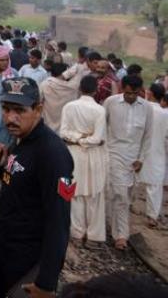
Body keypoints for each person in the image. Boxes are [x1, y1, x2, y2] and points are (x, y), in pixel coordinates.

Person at [0, 77, 73, 298]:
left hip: (27, 258)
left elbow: (59, 221)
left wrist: (46, 282)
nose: (10, 118)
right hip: (7, 248)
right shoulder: (21, 140)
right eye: (5, 109)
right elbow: (17, 185)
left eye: (19, 110)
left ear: (38, 109)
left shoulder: (53, 153)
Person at [103, 75, 152, 250]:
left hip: (134, 159)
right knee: (120, 195)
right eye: (128, 93)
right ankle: (121, 236)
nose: (131, 96)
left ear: (140, 91)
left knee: (124, 197)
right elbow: (102, 126)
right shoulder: (111, 102)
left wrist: (141, 158)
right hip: (114, 153)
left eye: (135, 94)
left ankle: (110, 224)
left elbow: (148, 136)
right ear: (122, 88)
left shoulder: (146, 108)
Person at [59, 75, 107, 247]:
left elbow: (63, 132)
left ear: (79, 88)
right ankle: (94, 236)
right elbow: (98, 139)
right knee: (94, 194)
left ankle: (76, 233)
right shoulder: (100, 110)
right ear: (96, 90)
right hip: (93, 155)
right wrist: (85, 139)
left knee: (74, 193)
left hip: (72, 153)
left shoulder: (69, 107)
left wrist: (76, 139)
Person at [138, 83, 168, 228]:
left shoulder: (141, 108)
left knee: (131, 181)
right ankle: (152, 216)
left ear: (150, 93)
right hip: (158, 153)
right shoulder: (165, 114)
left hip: (138, 150)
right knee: (155, 186)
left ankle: (127, 206)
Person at [39, 63, 77, 133]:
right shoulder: (72, 88)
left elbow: (38, 103)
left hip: (47, 126)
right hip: (65, 129)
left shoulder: (45, 84)